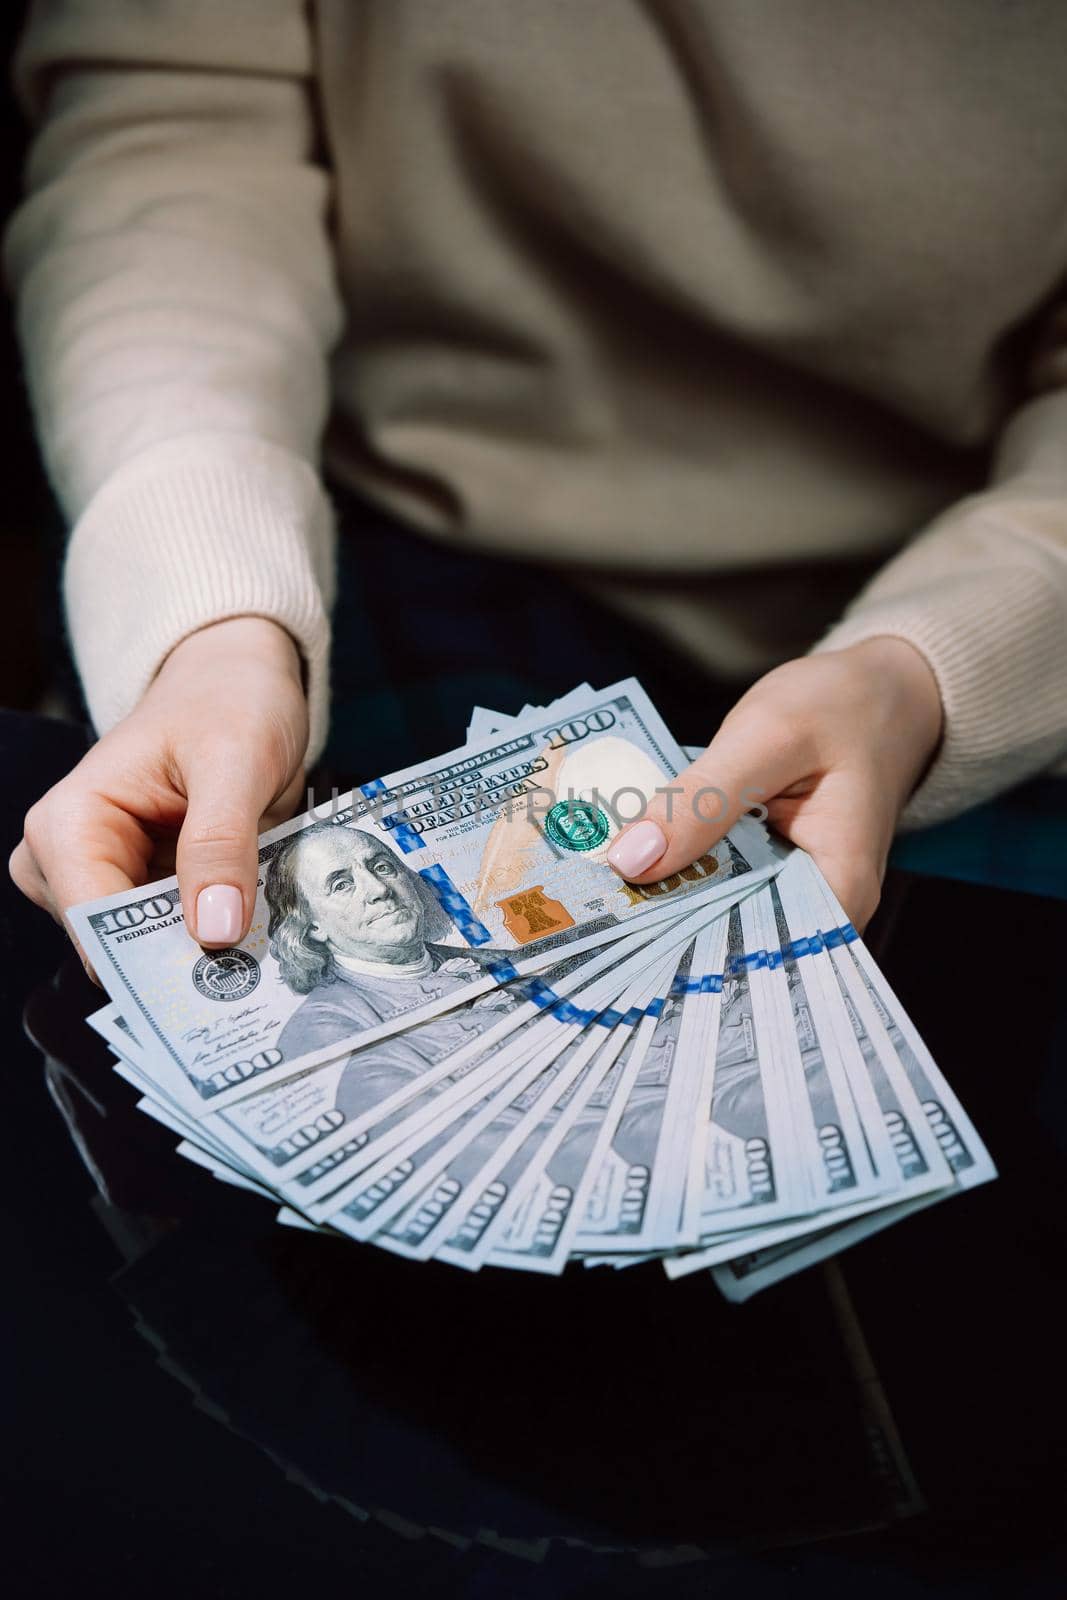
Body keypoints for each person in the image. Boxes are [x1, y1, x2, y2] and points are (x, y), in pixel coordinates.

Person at [6, 3, 1067, 967]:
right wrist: (210, 621)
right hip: (372, 527)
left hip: (977, 605)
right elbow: (171, 152)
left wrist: (930, 677)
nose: (374, 886)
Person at [265, 818, 516, 1072]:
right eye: (341, 885)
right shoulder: (320, 1030)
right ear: (312, 926)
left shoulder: (505, 962)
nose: (379, 889)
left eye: (382, 867)